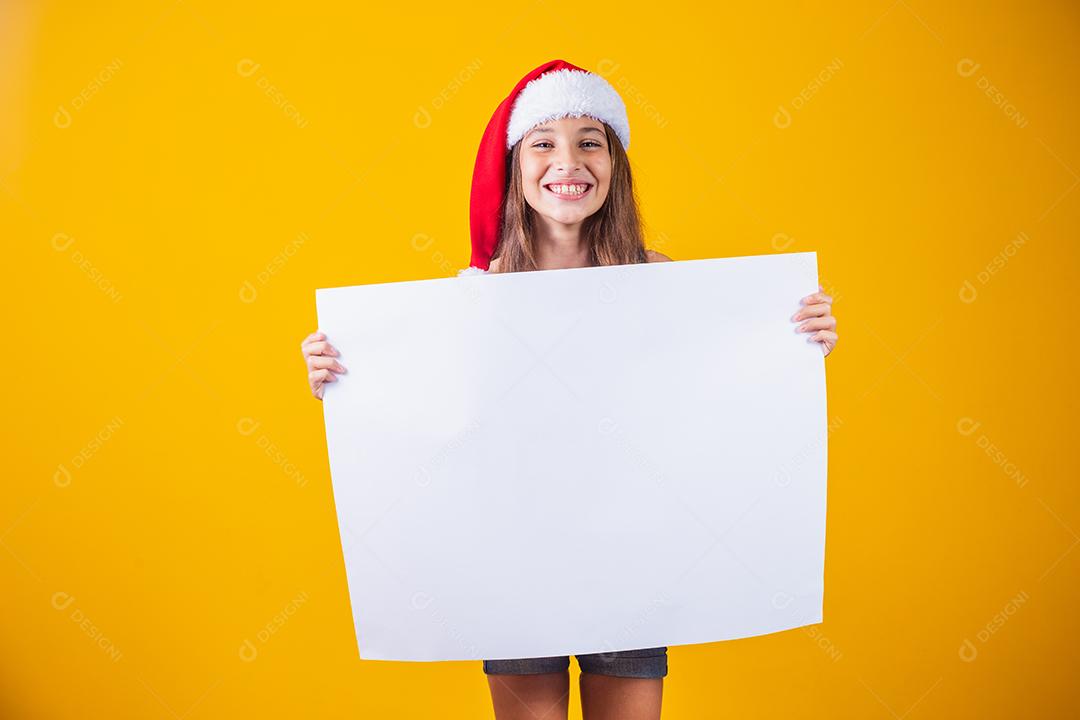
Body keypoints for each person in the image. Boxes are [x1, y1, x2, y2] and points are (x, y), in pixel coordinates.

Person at [300, 59, 838, 720]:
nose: (569, 160)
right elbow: (431, 419)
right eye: (544, 143)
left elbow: (709, 393)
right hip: (513, 563)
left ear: (614, 165)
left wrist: (793, 340)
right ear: (515, 167)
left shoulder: (657, 278)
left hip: (631, 554)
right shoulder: (478, 294)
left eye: (591, 140)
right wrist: (343, 375)